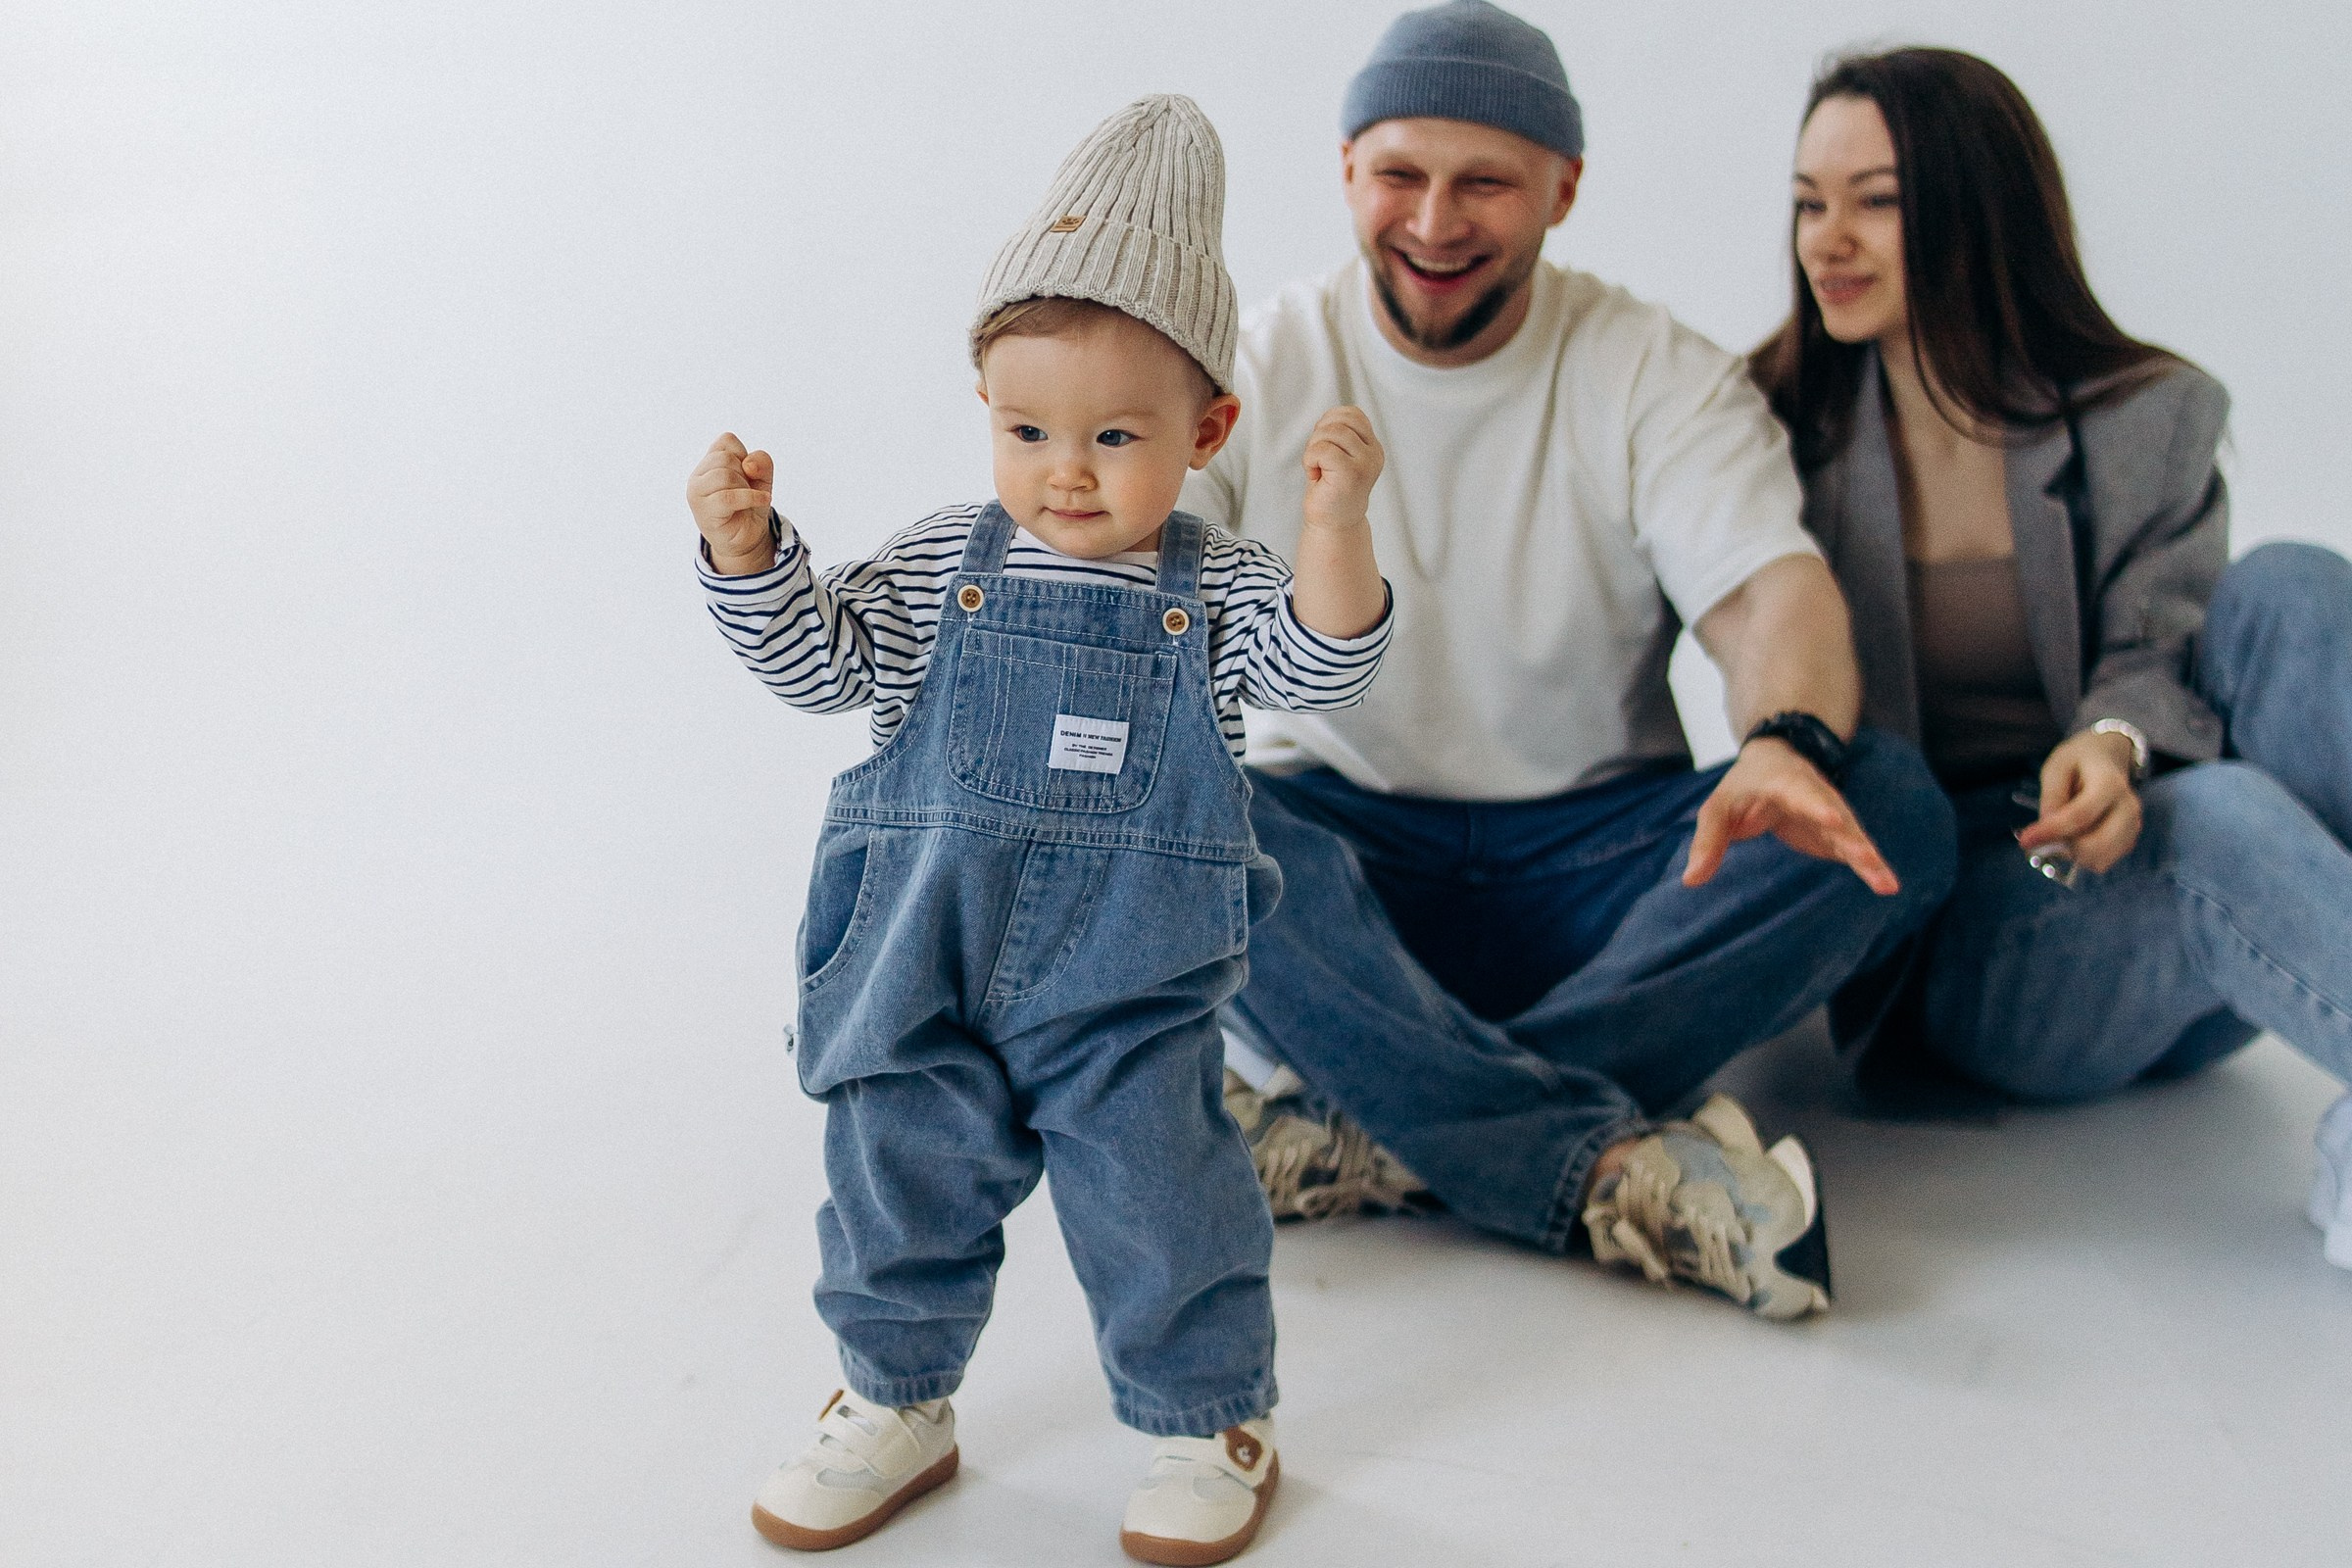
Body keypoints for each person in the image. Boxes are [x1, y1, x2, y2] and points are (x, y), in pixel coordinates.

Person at [689, 97, 1394, 1562]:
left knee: (1162, 1196)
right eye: (1027, 430)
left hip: (1128, 990)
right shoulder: (950, 561)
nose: (1065, 471)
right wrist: (749, 553)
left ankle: (1206, 1416)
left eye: (1115, 435)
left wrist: (1335, 530)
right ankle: (895, 1396)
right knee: (896, 1174)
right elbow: (822, 663)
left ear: (1206, 432)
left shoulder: (1222, 593)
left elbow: (1329, 665)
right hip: (920, 960)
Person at [1184, 0, 1956, 1322]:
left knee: (1886, 804)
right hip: (1342, 868)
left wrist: (1785, 740)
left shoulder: (1654, 371)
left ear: (1564, 188)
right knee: (1188, 816)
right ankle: (1591, 1158)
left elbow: (1775, 593)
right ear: (1346, 172)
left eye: (1484, 180)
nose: (1434, 223)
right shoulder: (1251, 366)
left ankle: (1387, 1129)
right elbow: (1132, 606)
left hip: (1598, 874)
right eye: (1401, 176)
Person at [1752, 46, 2352, 1269]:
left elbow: (2158, 642)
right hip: (1980, 941)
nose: (1828, 239)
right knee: (2224, 815)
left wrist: (2113, 745)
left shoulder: (2148, 417)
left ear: (1980, 209)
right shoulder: (1768, 431)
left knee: (2294, 588)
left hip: (2189, 930)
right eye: (1810, 202)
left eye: (1875, 199)